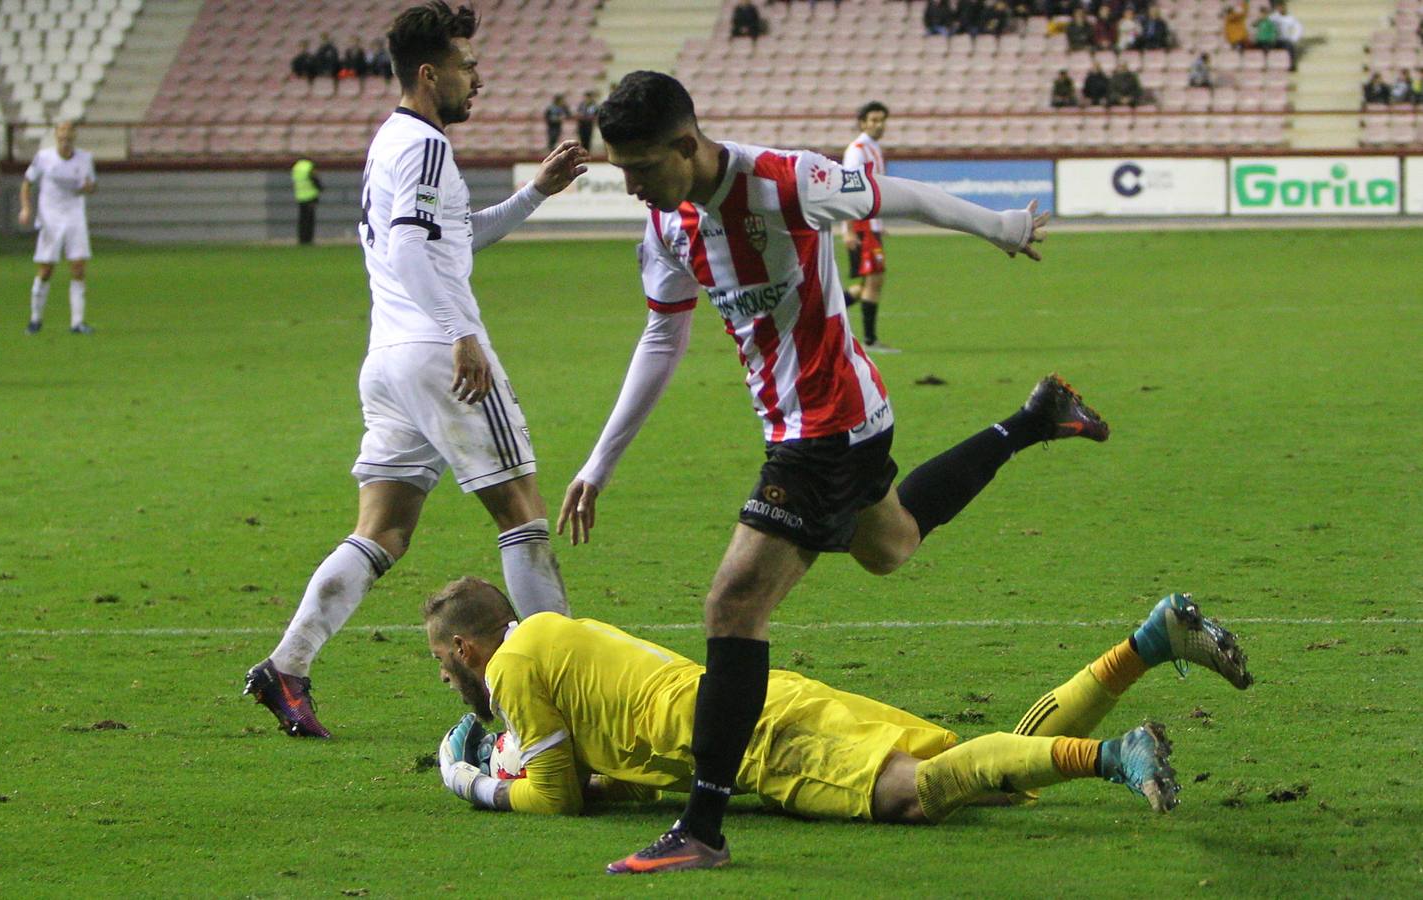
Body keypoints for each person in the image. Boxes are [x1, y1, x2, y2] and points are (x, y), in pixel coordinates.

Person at [555, 70, 1107, 875]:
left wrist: (997, 224)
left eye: (641, 167)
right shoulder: (668, 225)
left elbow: (895, 195)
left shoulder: (783, 180)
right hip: (832, 424)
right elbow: (662, 337)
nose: (631, 185)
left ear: (685, 144)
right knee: (891, 544)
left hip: (826, 428)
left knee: (732, 605)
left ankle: (702, 827)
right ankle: (1033, 420)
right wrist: (599, 462)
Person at [243, 1, 588, 739]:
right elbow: (408, 247)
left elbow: (449, 239)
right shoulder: (427, 146)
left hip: (389, 359)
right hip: (438, 353)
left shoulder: (391, 142)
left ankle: (287, 666)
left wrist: (534, 194)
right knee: (522, 512)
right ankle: (561, 692)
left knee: (384, 529)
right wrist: (461, 333)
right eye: (468, 67)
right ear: (430, 74)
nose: (478, 80)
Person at [428, 578, 1253, 844]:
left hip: (753, 739)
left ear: (467, 648)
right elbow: (614, 774)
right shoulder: (549, 632)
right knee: (979, 776)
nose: (446, 677)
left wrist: (473, 781)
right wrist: (584, 778)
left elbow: (555, 798)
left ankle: (1112, 756)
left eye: (442, 661)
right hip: (762, 700)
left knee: (916, 794)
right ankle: (1146, 643)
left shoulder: (510, 670)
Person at [19, 122, 96, 335]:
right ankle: (35, 319)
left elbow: (91, 185)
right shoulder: (44, 157)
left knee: (78, 268)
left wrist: (88, 187)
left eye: (69, 131)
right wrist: (26, 208)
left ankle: (77, 322)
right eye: (61, 130)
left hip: (75, 216)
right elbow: (26, 183)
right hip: (50, 218)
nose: (65, 135)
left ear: (74, 135)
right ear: (56, 135)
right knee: (46, 270)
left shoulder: (85, 158)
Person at [841, 100, 893, 351]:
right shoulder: (858, 149)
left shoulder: (874, 148)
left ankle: (819, 314)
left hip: (870, 224)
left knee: (867, 284)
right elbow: (848, 187)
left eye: (881, 120)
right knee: (874, 280)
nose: (878, 125)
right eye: (873, 120)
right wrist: (849, 229)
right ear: (862, 123)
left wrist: (879, 222)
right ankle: (870, 341)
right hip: (861, 225)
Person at [291, 157, 321, 245]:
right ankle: (308, 239)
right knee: (309, 220)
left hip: (300, 195)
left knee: (302, 219)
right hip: (310, 195)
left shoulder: (296, 167)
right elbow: (314, 179)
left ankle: (302, 239)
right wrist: (320, 188)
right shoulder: (309, 166)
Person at [1269, 2, 1302, 71]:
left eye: (1282, 7)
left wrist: (1293, 39)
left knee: (1290, 46)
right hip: (1273, 39)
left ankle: (1292, 65)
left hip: (1284, 40)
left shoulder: (1290, 18)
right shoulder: (1272, 17)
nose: (1281, 9)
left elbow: (1298, 28)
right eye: (1279, 7)